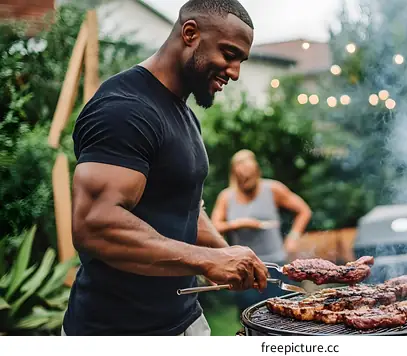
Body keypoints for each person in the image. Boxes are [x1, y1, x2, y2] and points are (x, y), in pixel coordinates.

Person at [61, 0, 269, 336]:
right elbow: (94, 225)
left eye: (240, 61)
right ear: (190, 33)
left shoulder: (184, 114)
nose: (234, 72)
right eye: (229, 54)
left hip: (184, 321)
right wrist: (207, 261)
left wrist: (223, 253)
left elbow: (184, 205)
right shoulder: (124, 110)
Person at [210, 149, 312, 310]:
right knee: (251, 316)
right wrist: (239, 223)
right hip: (245, 268)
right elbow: (213, 227)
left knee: (283, 315)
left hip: (276, 264)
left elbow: (304, 210)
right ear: (234, 175)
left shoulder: (273, 189)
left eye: (249, 175)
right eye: (242, 177)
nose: (246, 180)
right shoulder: (226, 197)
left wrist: (293, 236)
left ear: (257, 170)